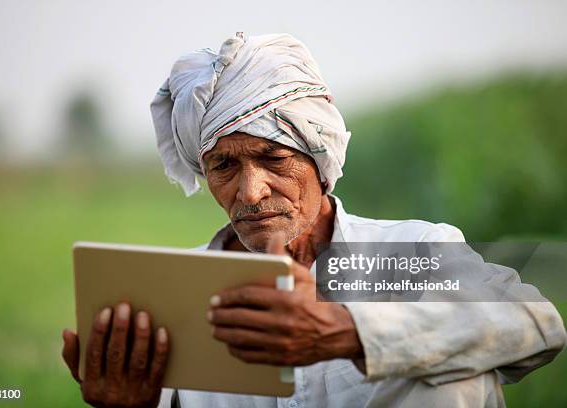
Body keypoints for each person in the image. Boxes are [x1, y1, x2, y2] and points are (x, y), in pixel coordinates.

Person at [61, 33, 567, 407]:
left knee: (453, 371)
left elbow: (537, 325)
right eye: (223, 165)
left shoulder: (409, 254)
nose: (251, 192)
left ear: (318, 157)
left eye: (274, 159)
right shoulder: (178, 294)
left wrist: (346, 332)